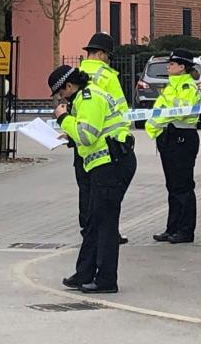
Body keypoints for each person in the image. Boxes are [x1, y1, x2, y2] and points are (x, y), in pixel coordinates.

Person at [51, 64, 136, 294]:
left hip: (111, 165)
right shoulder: (85, 98)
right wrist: (70, 136)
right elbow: (92, 132)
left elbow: (87, 136)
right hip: (105, 164)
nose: (61, 99)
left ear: (69, 86)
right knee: (93, 221)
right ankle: (85, 273)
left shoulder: (88, 99)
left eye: (61, 93)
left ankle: (107, 279)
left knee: (105, 224)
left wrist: (63, 119)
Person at [145, 49, 201, 244]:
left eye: (172, 64)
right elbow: (159, 111)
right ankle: (172, 228)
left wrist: (162, 120)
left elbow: (181, 112)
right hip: (169, 137)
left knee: (183, 186)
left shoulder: (187, 87)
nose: (168, 67)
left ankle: (185, 231)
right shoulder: (170, 86)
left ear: (182, 67)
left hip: (182, 137)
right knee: (172, 186)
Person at [78, 32, 130, 245]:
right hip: (106, 145)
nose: (109, 60)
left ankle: (87, 230)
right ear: (100, 54)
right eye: (108, 56)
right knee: (107, 193)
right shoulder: (107, 76)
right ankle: (108, 232)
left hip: (81, 138)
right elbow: (121, 110)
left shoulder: (76, 73)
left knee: (85, 188)